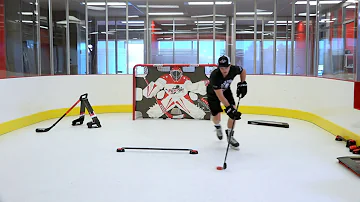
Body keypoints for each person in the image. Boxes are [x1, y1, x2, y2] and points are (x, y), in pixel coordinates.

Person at [206, 55, 247, 150]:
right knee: (216, 116)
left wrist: (243, 83)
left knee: (234, 112)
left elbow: (243, 71)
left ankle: (230, 134)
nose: (224, 70)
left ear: (230, 65)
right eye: (221, 68)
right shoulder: (215, 76)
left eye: (226, 67)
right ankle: (217, 127)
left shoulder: (234, 69)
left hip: (226, 91)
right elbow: (220, 95)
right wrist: (228, 108)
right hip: (213, 93)